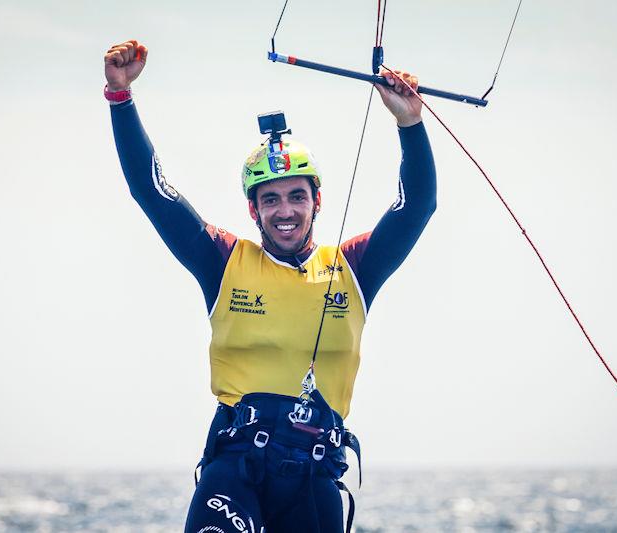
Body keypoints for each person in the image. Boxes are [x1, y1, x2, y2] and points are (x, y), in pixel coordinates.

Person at [105, 39, 436, 533]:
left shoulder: (353, 268)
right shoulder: (223, 261)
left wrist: (409, 123)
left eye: (297, 196)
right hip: (235, 473)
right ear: (253, 209)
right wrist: (120, 97)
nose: (285, 211)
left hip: (314, 480)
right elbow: (150, 192)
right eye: (271, 199)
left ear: (316, 201)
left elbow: (416, 209)